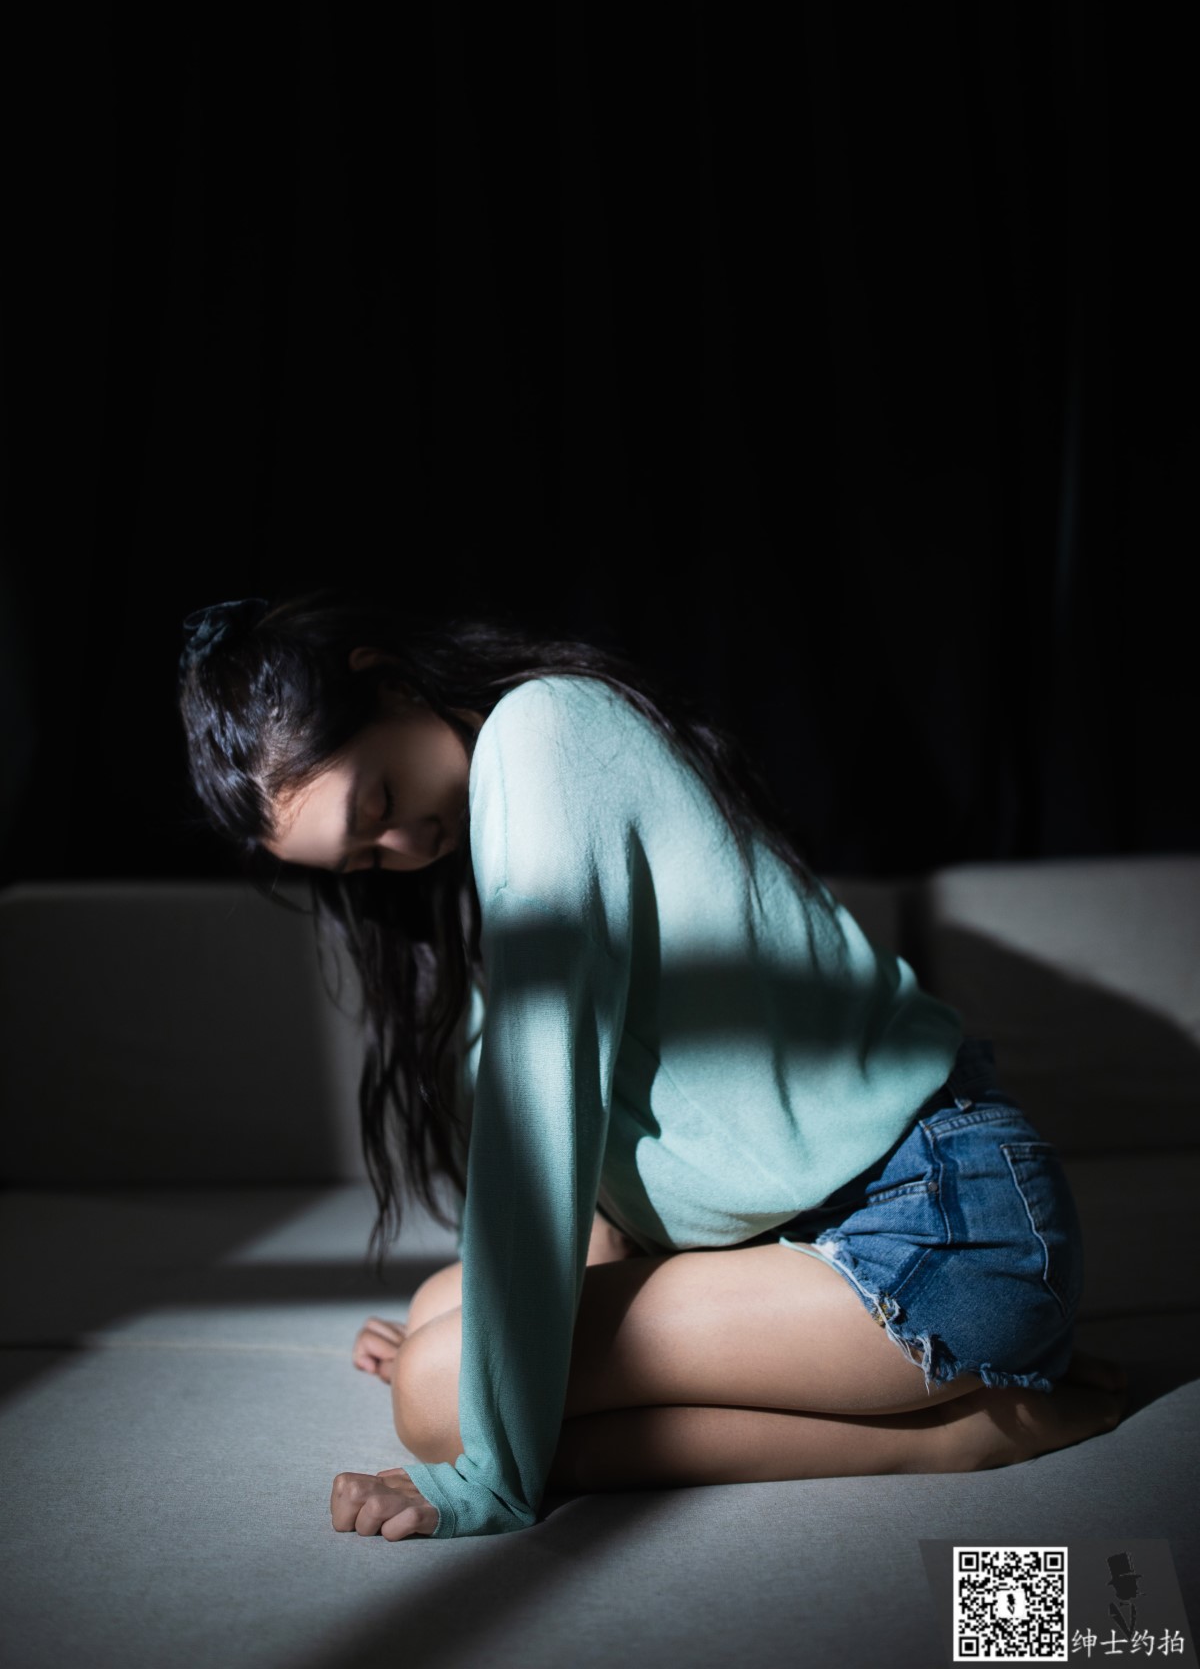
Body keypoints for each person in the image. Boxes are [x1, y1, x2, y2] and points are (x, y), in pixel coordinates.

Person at [178, 590, 1126, 1543]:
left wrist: (490, 1461)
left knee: (434, 1393)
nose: (403, 849)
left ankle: (960, 1435)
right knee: (438, 1316)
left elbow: (541, 1114)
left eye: (378, 803)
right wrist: (480, 1335)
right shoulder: (490, 822)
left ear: (383, 680)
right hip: (805, 1229)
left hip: (936, 1230)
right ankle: (932, 1384)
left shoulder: (541, 734)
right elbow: (601, 1146)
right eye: (362, 862)